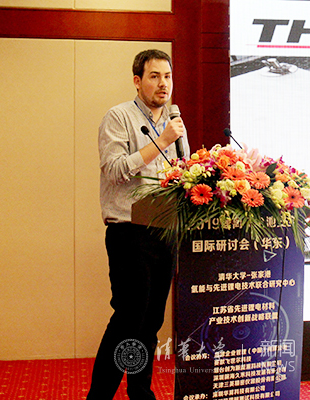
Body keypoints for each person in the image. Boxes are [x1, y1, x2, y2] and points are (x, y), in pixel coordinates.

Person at [87, 49, 189, 399]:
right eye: (154, 76)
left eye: (167, 76)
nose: (163, 84)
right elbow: (114, 170)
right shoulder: (118, 117)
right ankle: (99, 397)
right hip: (129, 232)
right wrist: (161, 141)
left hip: (165, 231)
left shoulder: (175, 123)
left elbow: (183, 173)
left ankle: (140, 392)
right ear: (137, 80)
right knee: (128, 319)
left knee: (150, 323)